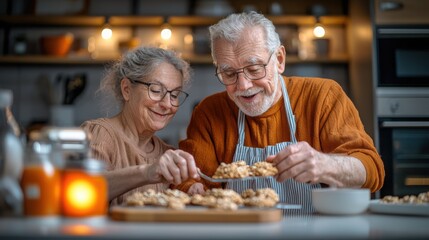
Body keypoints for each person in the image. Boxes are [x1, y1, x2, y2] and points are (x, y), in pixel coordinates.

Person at [176, 11, 385, 212]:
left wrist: (325, 164)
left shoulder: (323, 96)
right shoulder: (209, 112)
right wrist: (191, 189)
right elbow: (193, 180)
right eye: (229, 73)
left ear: (279, 59)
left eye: (255, 68)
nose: (243, 85)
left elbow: (372, 171)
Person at [81, 46, 199, 205]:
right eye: (156, 90)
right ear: (127, 89)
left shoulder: (167, 153)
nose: (167, 104)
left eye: (175, 95)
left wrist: (190, 190)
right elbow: (84, 191)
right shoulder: (99, 134)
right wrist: (147, 172)